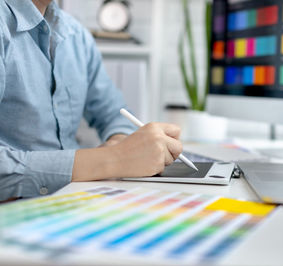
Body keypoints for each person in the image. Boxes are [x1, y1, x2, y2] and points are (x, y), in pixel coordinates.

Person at [0, 0, 183, 201]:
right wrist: (114, 159)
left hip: (72, 202)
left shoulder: (77, 36)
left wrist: (120, 142)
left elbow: (115, 112)